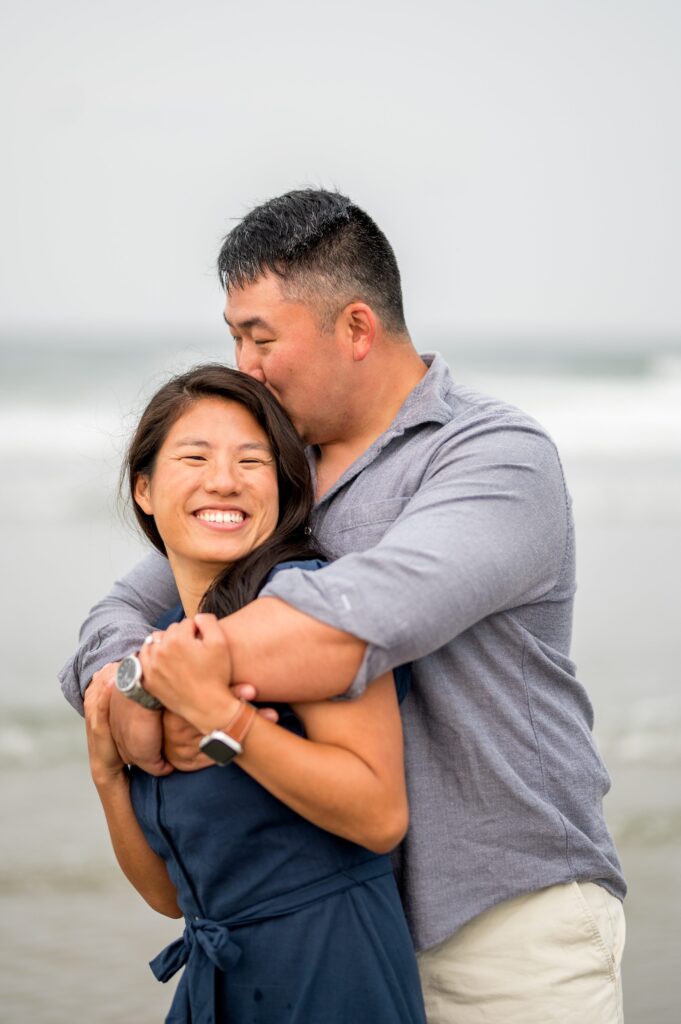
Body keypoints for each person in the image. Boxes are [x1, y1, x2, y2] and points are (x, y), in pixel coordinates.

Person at [62, 189, 626, 1023]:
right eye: (233, 339)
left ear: (356, 329)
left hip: (506, 925)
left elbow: (340, 629)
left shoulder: (494, 460)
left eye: (261, 339)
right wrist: (122, 683)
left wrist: (165, 683)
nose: (244, 366)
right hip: (352, 930)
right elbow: (124, 609)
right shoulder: (283, 477)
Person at [84, 363, 426, 1024]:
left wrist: (222, 717)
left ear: (282, 487)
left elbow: (379, 813)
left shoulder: (307, 608)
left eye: (252, 460)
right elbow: (170, 895)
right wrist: (105, 775)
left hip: (332, 971)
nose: (224, 480)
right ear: (145, 489)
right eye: (194, 456)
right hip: (219, 982)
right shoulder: (160, 647)